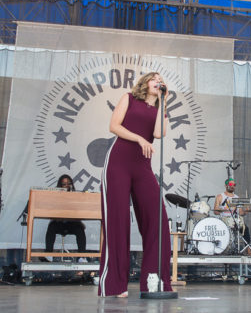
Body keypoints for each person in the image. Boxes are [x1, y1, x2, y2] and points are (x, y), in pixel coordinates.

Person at [98, 72, 172, 298]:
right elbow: (114, 126)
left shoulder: (161, 109)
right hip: (119, 161)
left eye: (160, 79)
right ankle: (114, 285)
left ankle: (154, 281)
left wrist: (164, 100)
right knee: (118, 222)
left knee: (157, 222)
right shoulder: (129, 98)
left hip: (143, 166)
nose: (157, 81)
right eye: (153, 78)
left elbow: (158, 134)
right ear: (145, 82)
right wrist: (140, 138)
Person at [42, 175, 86, 261]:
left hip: (72, 223)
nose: (66, 185)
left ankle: (82, 256)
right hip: (59, 223)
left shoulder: (76, 196)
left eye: (68, 183)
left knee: (80, 230)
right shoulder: (55, 196)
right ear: (60, 186)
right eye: (64, 184)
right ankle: (48, 254)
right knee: (51, 227)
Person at [213, 177, 251, 253]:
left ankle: (248, 249)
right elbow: (215, 211)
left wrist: (246, 212)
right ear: (226, 185)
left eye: (234, 185)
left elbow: (240, 212)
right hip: (224, 220)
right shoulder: (220, 196)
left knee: (245, 229)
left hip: (235, 220)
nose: (232, 186)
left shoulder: (237, 198)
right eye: (231, 184)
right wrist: (222, 210)